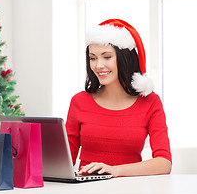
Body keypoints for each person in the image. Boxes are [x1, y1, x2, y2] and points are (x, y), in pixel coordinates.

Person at [65, 19, 172, 178]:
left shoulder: (150, 102)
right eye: (93, 58)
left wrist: (115, 170)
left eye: (107, 57)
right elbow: (64, 160)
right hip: (87, 190)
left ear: (125, 58)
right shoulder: (79, 101)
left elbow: (164, 162)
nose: (98, 65)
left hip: (130, 190)